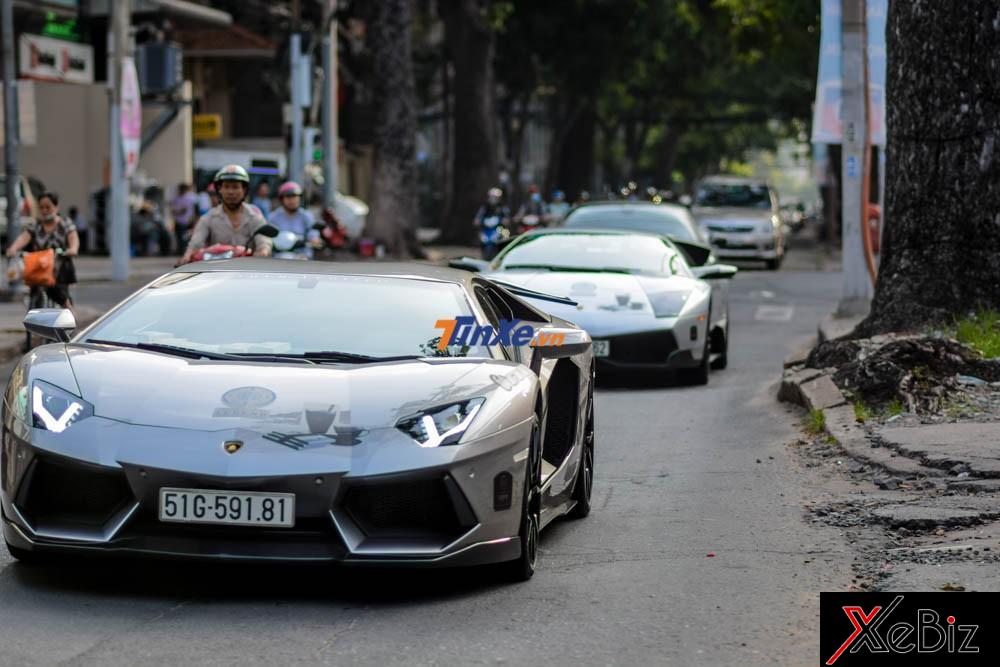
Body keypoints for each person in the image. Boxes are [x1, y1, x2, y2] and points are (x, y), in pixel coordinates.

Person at [5, 191, 79, 315]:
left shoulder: (65, 223)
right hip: (39, 265)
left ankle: (68, 308)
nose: (44, 210)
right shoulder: (35, 225)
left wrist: (73, 249)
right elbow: (24, 237)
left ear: (56, 207)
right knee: (34, 285)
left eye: (48, 207)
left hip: (59, 266)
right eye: (41, 208)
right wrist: (13, 248)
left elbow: (73, 237)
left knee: (58, 289)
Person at [181, 165, 272, 263]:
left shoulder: (255, 217)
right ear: (219, 189)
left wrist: (263, 251)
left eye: (235, 187)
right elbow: (196, 244)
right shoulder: (208, 218)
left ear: (244, 190)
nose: (230, 192)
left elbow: (264, 242)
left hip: (247, 271)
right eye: (226, 187)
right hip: (216, 272)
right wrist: (187, 256)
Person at [268, 181, 320, 257]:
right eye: (288, 197)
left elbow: (313, 231)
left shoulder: (306, 216)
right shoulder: (273, 217)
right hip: (279, 256)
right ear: (282, 199)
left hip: (302, 256)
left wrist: (314, 239)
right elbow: (267, 236)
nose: (292, 200)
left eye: (295, 196)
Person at [169, 183, 198, 254]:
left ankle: (186, 251)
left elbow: (192, 208)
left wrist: (194, 219)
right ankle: (180, 251)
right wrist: (176, 211)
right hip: (178, 221)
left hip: (187, 221)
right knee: (179, 237)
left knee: (186, 237)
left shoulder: (190, 197)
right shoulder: (176, 197)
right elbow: (171, 206)